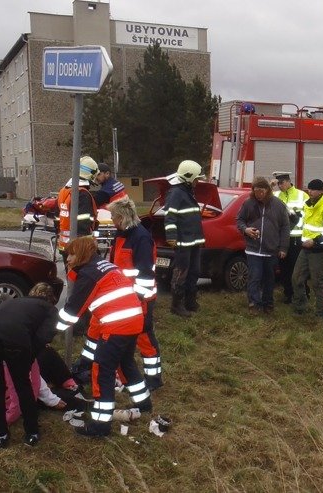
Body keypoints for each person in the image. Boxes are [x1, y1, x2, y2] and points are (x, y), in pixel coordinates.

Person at [58, 237, 152, 437]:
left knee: (102, 372)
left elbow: (72, 312)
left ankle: (100, 426)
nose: (68, 259)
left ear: (82, 253)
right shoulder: (104, 266)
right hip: (134, 320)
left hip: (117, 326)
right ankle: (144, 403)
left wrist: (47, 331)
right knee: (126, 363)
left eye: (71, 254)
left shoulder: (89, 274)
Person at [0, 282, 60, 448]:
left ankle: (0, 435)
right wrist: (29, 357)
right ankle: (32, 433)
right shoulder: (50, 309)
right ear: (51, 299)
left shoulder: (15, 301)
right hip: (15, 342)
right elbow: (44, 337)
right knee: (23, 386)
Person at [108, 198, 162, 391]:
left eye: (113, 216)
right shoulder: (121, 234)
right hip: (126, 297)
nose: (112, 220)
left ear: (122, 217)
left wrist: (137, 300)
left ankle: (154, 379)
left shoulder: (140, 238)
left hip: (141, 298)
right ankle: (126, 375)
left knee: (145, 338)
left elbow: (146, 275)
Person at [236, 176, 290, 314]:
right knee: (255, 277)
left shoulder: (278, 205)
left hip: (271, 249)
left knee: (269, 278)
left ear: (267, 190)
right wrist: (245, 230)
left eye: (261, 191)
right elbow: (240, 220)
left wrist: (283, 247)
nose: (259, 194)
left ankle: (268, 303)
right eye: (256, 191)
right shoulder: (249, 204)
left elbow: (285, 227)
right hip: (253, 250)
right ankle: (254, 304)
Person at [164, 160, 206, 317]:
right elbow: (170, 217)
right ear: (189, 178)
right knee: (181, 273)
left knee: (194, 272)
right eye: (197, 178)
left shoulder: (188, 193)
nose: (198, 182)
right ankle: (176, 305)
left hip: (194, 241)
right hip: (182, 242)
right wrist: (171, 237)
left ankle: (190, 301)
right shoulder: (176, 193)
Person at [292, 179, 323, 318]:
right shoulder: (307, 205)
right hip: (305, 249)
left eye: (313, 190)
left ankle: (322, 313)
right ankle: (300, 307)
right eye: (309, 189)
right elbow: (301, 223)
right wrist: (292, 217)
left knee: (318, 283)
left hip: (319, 251)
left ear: (321, 191)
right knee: (296, 278)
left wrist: (314, 241)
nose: (310, 192)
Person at [272, 171, 308, 304]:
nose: (280, 186)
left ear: (288, 181)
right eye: (278, 183)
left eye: (281, 183)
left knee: (297, 269)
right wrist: (271, 186)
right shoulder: (276, 195)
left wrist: (293, 220)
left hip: (296, 239)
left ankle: (302, 294)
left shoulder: (301, 195)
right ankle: (288, 294)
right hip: (281, 239)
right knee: (284, 268)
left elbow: (306, 217)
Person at [57, 156, 99, 267]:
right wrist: (89, 248)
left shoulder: (64, 191)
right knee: (81, 281)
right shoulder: (82, 194)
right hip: (78, 248)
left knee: (71, 279)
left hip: (65, 244)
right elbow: (82, 224)